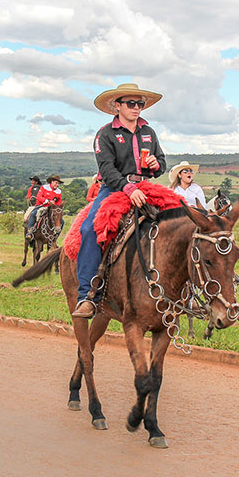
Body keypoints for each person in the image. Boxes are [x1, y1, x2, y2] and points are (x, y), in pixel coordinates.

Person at [72, 83, 166, 318]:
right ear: (117, 106)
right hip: (114, 188)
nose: (137, 108)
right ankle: (87, 296)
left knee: (181, 221)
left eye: (140, 104)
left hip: (145, 186)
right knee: (90, 229)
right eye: (131, 104)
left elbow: (162, 162)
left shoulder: (149, 132)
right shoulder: (105, 134)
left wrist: (157, 165)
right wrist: (127, 187)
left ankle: (187, 292)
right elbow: (106, 168)